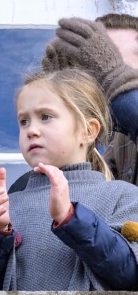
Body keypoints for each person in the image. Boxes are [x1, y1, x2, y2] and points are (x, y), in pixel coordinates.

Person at [0, 69, 138, 291]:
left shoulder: (123, 196)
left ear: (87, 131)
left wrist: (71, 218)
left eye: (46, 117)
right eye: (24, 121)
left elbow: (129, 275)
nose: (32, 130)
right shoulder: (9, 205)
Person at [10, 13, 138, 192]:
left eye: (119, 67)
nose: (104, 89)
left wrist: (115, 80)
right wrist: (59, 93)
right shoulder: (111, 141)